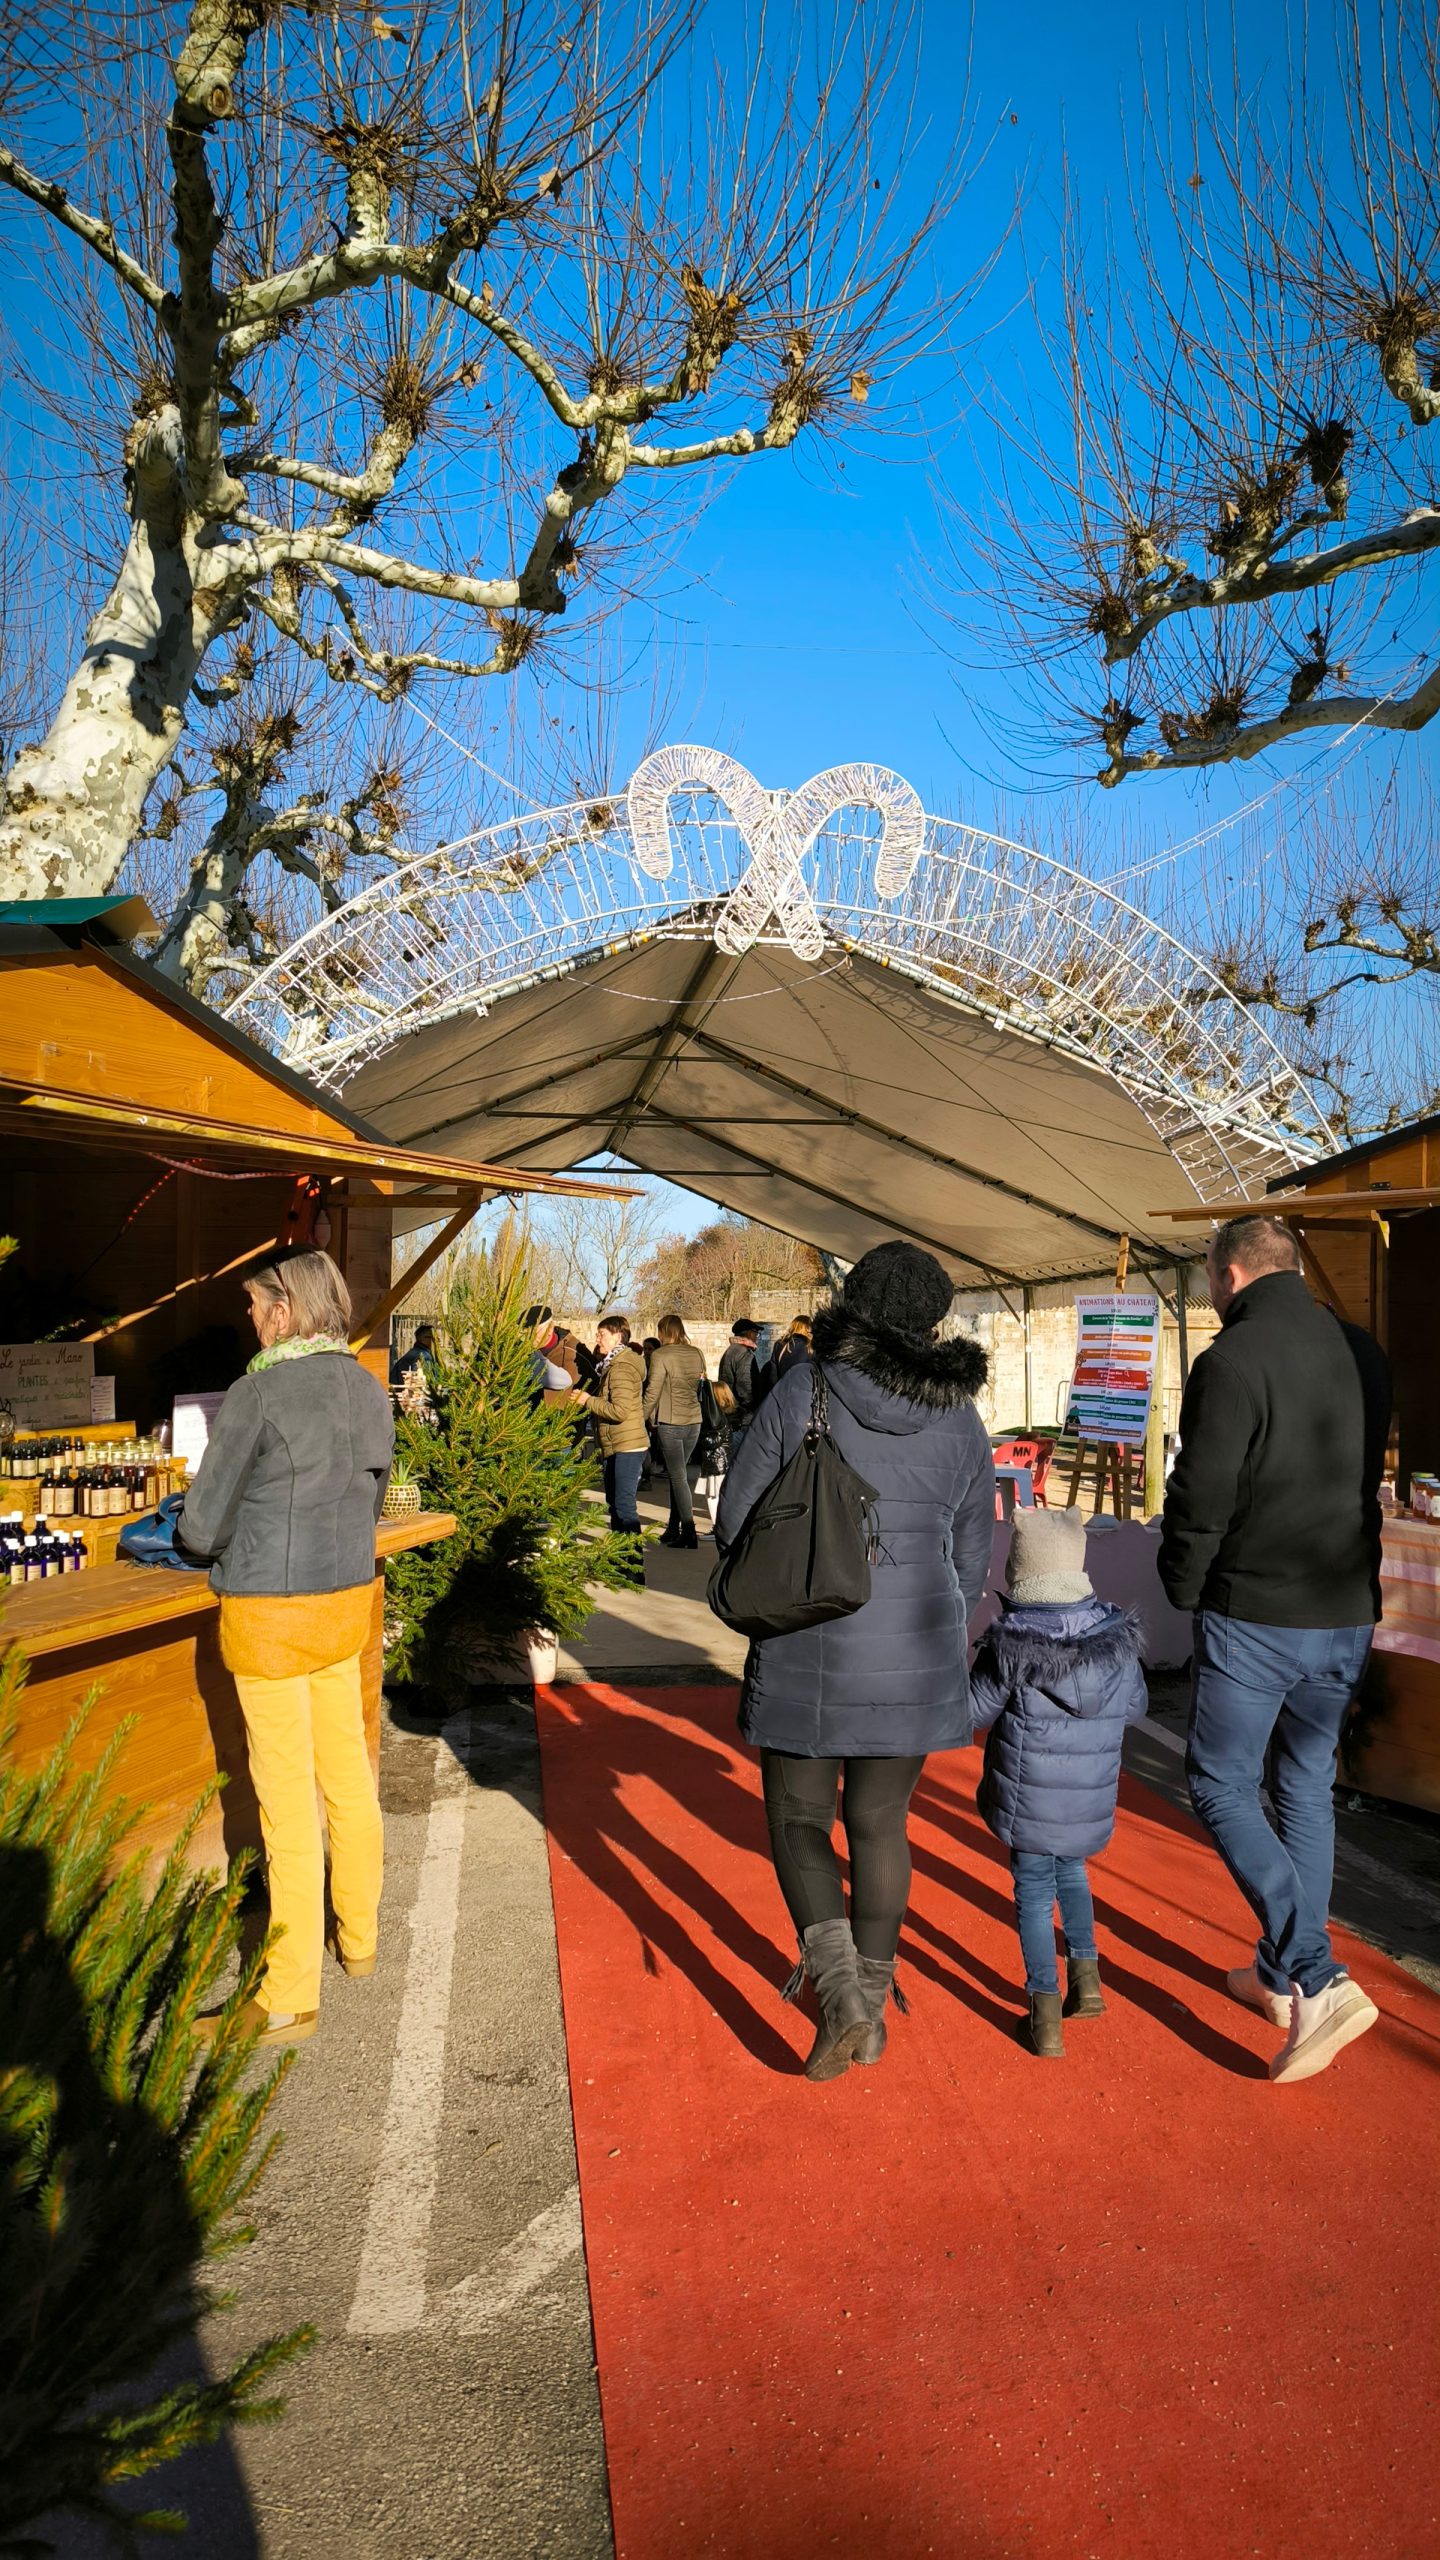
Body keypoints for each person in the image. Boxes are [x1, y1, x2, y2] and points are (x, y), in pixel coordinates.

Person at [715, 1242, 994, 2082]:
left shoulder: (807, 1384)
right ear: (931, 1320)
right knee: (880, 1824)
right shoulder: (963, 1416)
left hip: (809, 1637)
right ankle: (869, 2008)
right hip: (916, 1649)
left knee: (800, 1819)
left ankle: (838, 1995)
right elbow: (974, 1555)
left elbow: (735, 1519)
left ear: (856, 1307)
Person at [1159, 1215, 1392, 2085]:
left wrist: (1179, 1584)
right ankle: (1275, 1971)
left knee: (1219, 1781)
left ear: (1227, 1275)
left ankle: (1317, 1974)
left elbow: (1202, 1493)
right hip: (1345, 1607)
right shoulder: (1363, 1351)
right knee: (1301, 1783)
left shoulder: (1230, 1361)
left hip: (1256, 1608)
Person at [179, 1249, 394, 2049]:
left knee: (285, 1805)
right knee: (346, 1776)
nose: (247, 1315)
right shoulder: (368, 1388)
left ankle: (286, 1997)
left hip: (271, 1616)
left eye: (253, 1303)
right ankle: (361, 1941)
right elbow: (372, 1498)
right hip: (345, 1606)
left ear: (283, 1308)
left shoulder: (257, 1391)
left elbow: (201, 1529)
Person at [969, 1509, 1148, 2059]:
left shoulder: (1012, 1647)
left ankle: (1044, 2013)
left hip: (1027, 1799)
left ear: (1020, 1577)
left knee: (1031, 1893)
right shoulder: (1114, 1641)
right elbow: (1136, 1709)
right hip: (1088, 1797)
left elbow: (972, 1711)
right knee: (1072, 1873)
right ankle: (1087, 1980)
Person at [575, 1313, 648, 1535]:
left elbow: (620, 1411)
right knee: (616, 1505)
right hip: (616, 1445)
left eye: (602, 1334)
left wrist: (588, 1400)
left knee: (624, 1507)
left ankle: (632, 1566)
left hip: (627, 1446)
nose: (597, 1339)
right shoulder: (612, 1366)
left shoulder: (621, 1368)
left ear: (617, 1337)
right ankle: (619, 1561)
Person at [643, 1313, 708, 1548]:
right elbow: (702, 1384)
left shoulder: (661, 1355)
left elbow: (653, 1391)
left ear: (663, 1331)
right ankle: (673, 1527)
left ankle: (689, 1530)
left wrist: (642, 1417)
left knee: (678, 1477)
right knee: (677, 1476)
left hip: (671, 1421)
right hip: (694, 1421)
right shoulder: (697, 1353)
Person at [718, 1317, 761, 1446]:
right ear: (748, 1333)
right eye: (755, 1333)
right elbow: (745, 1385)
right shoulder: (744, 1353)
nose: (757, 1337)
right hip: (742, 1415)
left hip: (731, 1411)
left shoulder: (731, 1351)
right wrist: (752, 1406)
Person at [756, 1311, 813, 1405]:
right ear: (807, 1329)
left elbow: (773, 1375)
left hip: (782, 1395)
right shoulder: (810, 1347)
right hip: (804, 1397)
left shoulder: (780, 1345)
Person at [389, 1320, 436, 1388]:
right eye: (432, 1337)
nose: (435, 1340)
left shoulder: (413, 1352)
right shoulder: (424, 1356)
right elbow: (421, 1380)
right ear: (423, 1339)